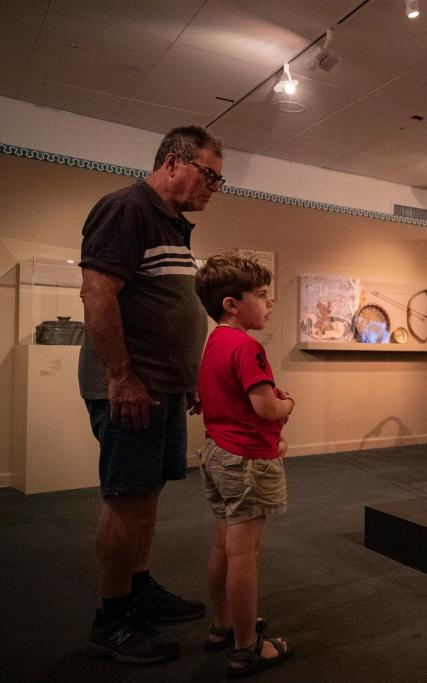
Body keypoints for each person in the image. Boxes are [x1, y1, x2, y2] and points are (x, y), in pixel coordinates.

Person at [80, 126, 224, 663]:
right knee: (126, 498)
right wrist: (122, 377)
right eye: (209, 174)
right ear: (172, 162)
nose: (214, 187)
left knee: (147, 494)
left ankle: (138, 588)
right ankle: (113, 619)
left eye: (219, 179)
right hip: (130, 386)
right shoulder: (127, 208)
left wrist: (186, 378)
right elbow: (97, 292)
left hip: (162, 386)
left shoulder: (170, 224)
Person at [194, 255, 294, 677]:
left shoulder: (215, 341)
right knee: (244, 553)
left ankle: (223, 624)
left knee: (223, 544)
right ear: (232, 304)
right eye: (262, 295)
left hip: (218, 454)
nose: (269, 304)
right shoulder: (247, 347)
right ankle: (246, 646)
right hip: (247, 460)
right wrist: (289, 404)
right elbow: (266, 407)